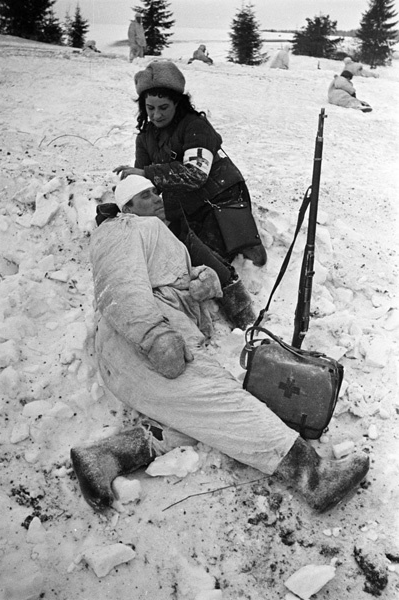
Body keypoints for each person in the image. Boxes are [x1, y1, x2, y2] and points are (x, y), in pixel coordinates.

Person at [70, 209, 370, 514]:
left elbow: (164, 290)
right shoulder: (121, 226)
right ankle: (315, 477)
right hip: (141, 342)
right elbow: (118, 287)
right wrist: (154, 336)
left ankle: (106, 457)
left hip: (137, 352)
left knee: (199, 421)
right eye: (145, 194)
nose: (157, 197)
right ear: (127, 204)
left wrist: (200, 286)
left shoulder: (155, 236)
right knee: (227, 404)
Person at [112, 60, 267, 269]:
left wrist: (146, 172)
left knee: (204, 262)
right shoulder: (146, 137)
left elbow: (195, 174)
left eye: (164, 107)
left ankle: (241, 243)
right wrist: (128, 188)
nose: (156, 115)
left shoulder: (195, 126)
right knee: (170, 252)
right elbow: (144, 181)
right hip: (186, 202)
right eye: (150, 108)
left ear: (178, 103)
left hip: (220, 198)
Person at [96, 175, 257, 331]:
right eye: (146, 196)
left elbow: (221, 273)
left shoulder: (178, 227)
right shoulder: (125, 237)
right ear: (127, 209)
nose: (157, 199)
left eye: (155, 192)